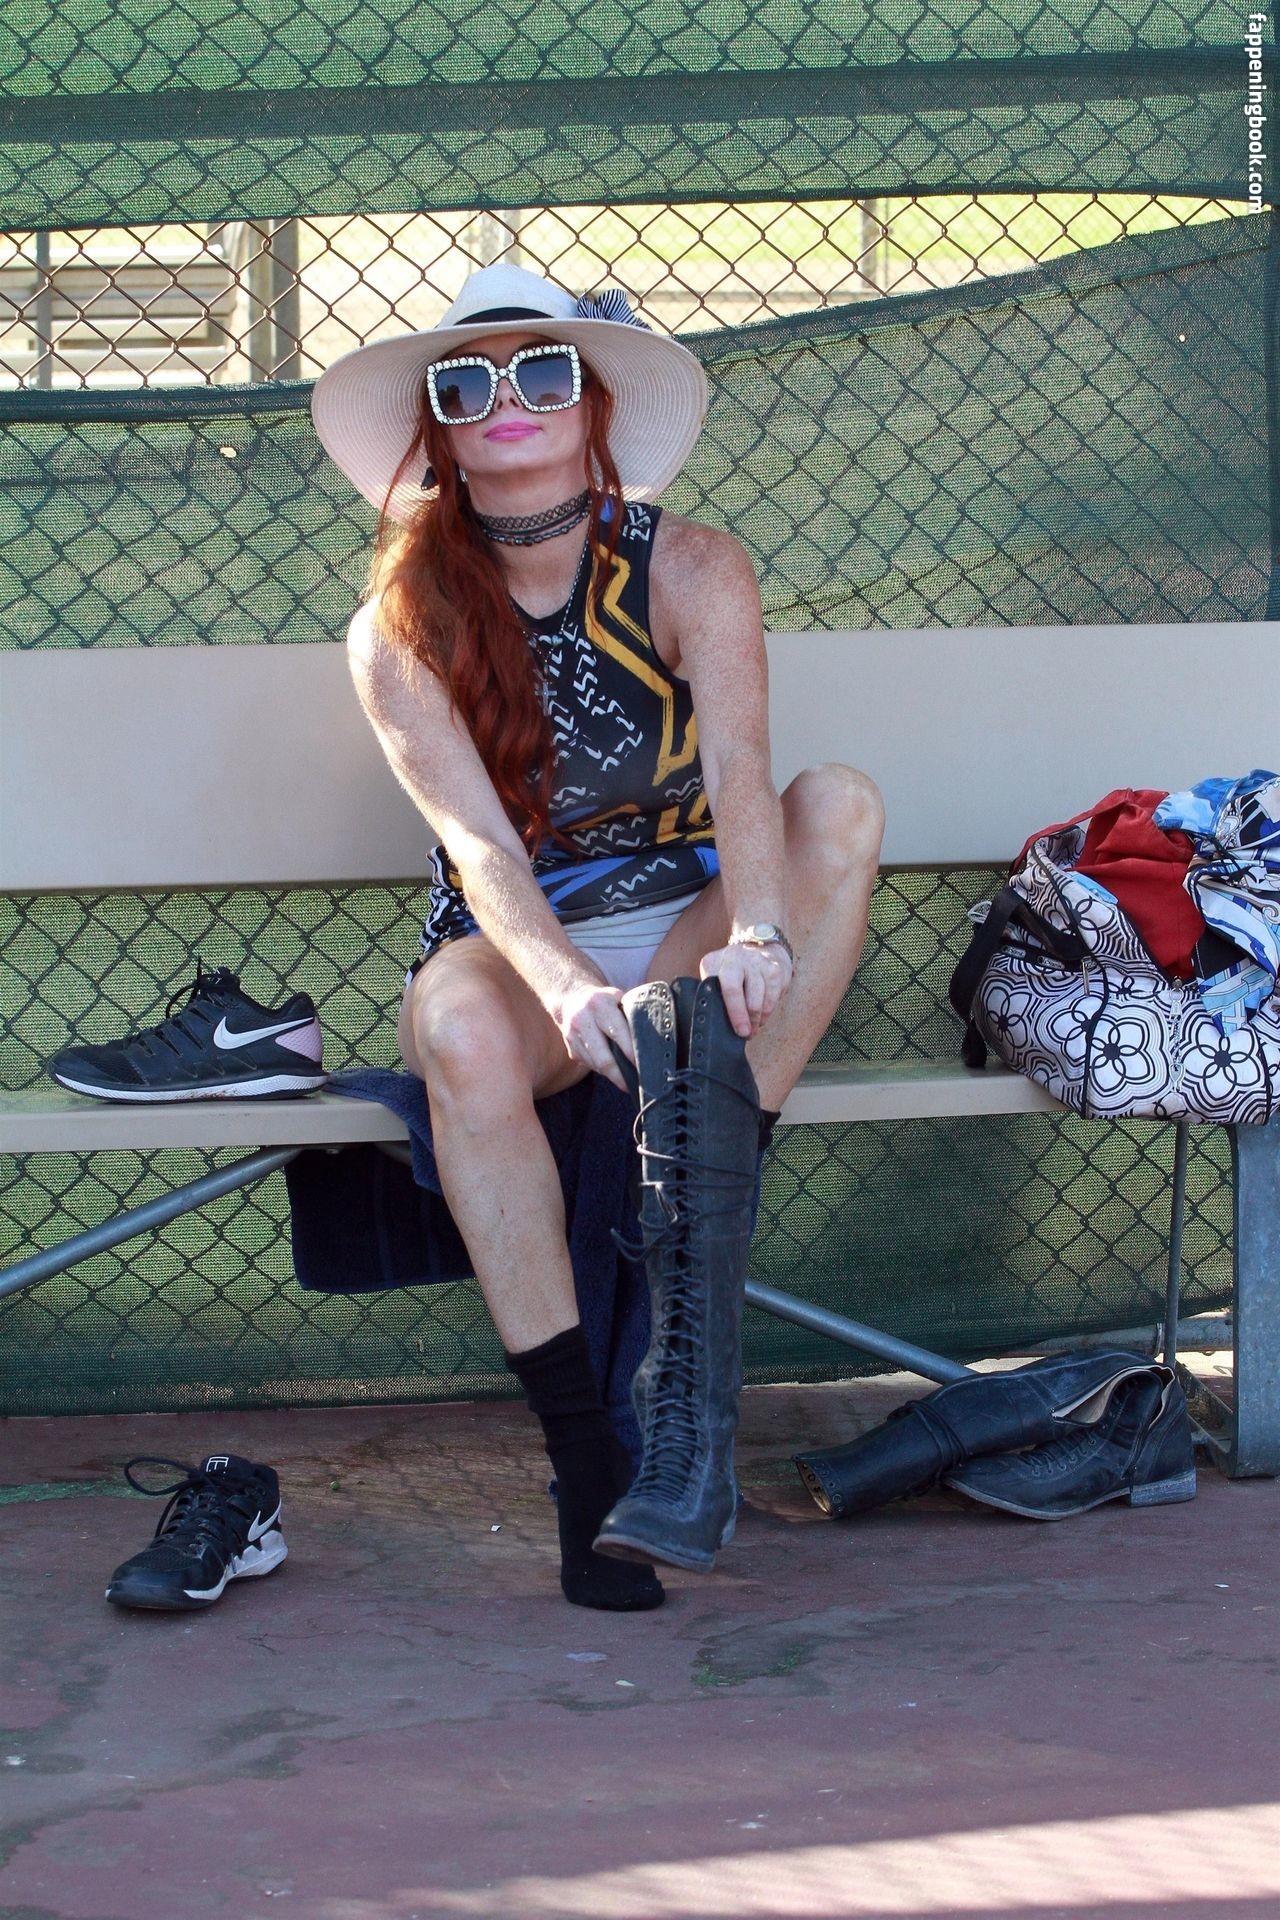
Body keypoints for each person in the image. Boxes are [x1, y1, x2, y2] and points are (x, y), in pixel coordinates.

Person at [309, 263, 884, 1612]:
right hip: (520, 951)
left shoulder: (691, 566)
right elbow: (479, 851)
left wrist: (756, 926)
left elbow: (743, 773)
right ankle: (586, 1458)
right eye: (467, 385)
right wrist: (568, 988)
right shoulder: (399, 623)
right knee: (459, 1033)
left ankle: (689, 1315)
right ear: (439, 433)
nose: (507, 399)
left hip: (689, 930)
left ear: (594, 403)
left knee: (842, 809)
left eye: (544, 369)